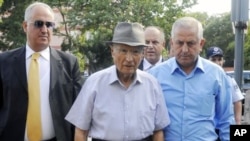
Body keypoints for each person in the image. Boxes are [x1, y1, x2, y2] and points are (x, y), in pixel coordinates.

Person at [65, 22, 170, 141]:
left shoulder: (152, 84)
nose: (129, 59)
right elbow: (81, 131)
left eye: (135, 51)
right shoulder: (95, 82)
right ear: (112, 51)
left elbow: (158, 131)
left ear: (142, 54)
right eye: (123, 51)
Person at [0, 2, 83, 141]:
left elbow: (79, 110)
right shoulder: (3, 62)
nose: (45, 29)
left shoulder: (69, 63)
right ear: (25, 26)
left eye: (49, 24)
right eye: (39, 24)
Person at [149, 17, 234, 141]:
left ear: (201, 43)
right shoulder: (155, 75)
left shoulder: (217, 74)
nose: (184, 49)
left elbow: (227, 119)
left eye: (190, 43)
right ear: (172, 43)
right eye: (179, 43)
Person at [207, 46, 244, 125]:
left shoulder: (229, 79)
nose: (217, 62)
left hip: (225, 125)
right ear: (207, 61)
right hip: (208, 127)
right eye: (213, 60)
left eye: (220, 59)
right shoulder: (202, 80)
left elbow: (237, 101)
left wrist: (238, 123)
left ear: (223, 61)